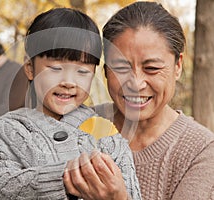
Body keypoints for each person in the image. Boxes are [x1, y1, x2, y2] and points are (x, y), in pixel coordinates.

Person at [0, 8, 141, 200]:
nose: (68, 82)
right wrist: (65, 178)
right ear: (30, 69)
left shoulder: (108, 136)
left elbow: (130, 192)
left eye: (82, 72)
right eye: (56, 68)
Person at [65, 1, 214, 200]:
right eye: (120, 68)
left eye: (151, 68)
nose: (135, 83)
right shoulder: (76, 124)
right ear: (105, 70)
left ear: (178, 66)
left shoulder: (201, 151)